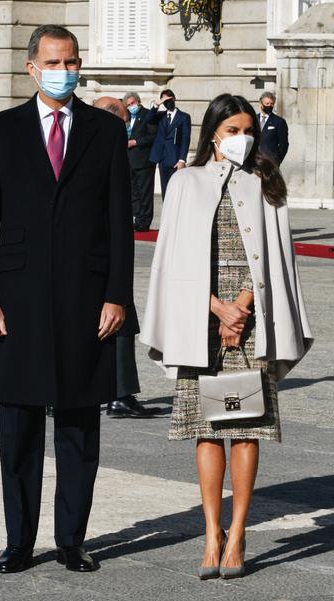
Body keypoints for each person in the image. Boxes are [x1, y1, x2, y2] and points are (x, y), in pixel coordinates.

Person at [0, 25, 134, 574]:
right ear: (32, 68)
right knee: (18, 427)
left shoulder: (105, 131)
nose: (64, 70)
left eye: (71, 61)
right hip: (17, 301)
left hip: (87, 299)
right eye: (53, 61)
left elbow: (119, 222)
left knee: (79, 427)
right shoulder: (1, 130)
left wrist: (117, 295)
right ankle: (19, 541)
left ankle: (71, 540)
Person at [140, 94, 312, 580]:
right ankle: (211, 533)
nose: (243, 138)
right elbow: (174, 258)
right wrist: (215, 307)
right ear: (213, 132)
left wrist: (241, 308)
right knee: (208, 428)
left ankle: (237, 533)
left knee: (246, 425)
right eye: (233, 130)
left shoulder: (266, 180)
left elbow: (275, 257)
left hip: (251, 316)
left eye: (248, 130)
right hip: (200, 317)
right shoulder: (184, 182)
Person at [93, 96, 161, 418]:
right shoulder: (107, 153)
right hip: (105, 254)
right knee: (121, 321)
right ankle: (120, 394)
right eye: (124, 122)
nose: (127, 128)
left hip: (93, 254)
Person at [146, 89, 191, 199]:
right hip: (162, 158)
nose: (167, 103)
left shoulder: (184, 117)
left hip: (175, 159)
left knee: (175, 189)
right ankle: (166, 209)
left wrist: (182, 160)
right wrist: (157, 104)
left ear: (174, 99)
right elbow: (147, 119)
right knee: (165, 189)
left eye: (169, 99)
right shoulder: (160, 115)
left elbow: (185, 139)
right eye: (165, 101)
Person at [122, 92, 157, 232]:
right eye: (128, 105)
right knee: (133, 192)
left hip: (144, 161)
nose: (131, 106)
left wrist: (135, 142)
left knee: (145, 193)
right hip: (129, 160)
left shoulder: (148, 115)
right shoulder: (127, 117)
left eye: (132, 103)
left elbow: (153, 136)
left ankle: (145, 222)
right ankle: (137, 219)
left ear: (138, 101)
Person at [257, 91, 289, 165]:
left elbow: (284, 144)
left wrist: (277, 161)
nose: (269, 106)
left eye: (271, 104)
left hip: (270, 162)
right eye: (267, 103)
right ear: (261, 103)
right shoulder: (253, 119)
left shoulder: (279, 121)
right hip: (254, 161)